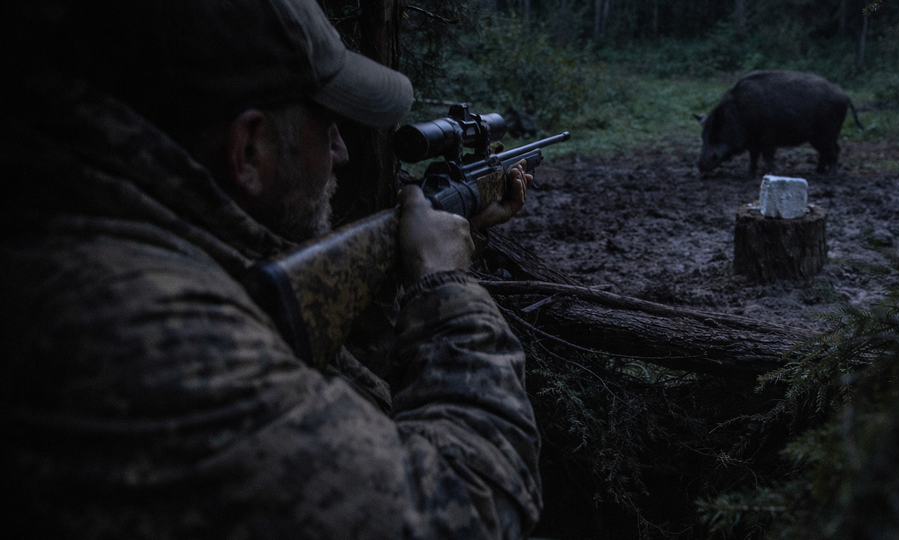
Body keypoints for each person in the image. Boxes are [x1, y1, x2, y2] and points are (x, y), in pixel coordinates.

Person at [1, 1, 541, 538]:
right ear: (250, 151)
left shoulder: (94, 239)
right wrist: (446, 286)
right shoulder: (144, 334)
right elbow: (474, 510)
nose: (341, 152)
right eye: (326, 125)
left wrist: (422, 250)